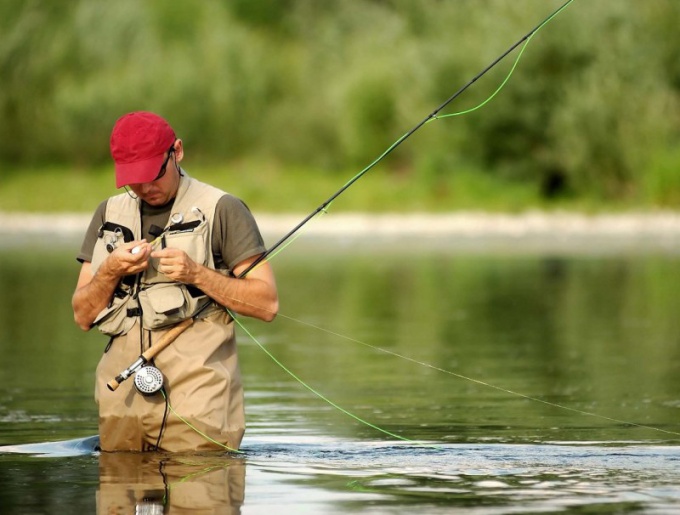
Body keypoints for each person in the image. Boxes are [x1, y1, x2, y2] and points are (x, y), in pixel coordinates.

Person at [72, 111, 278, 452]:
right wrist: (109, 270)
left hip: (200, 409)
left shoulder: (224, 209)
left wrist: (196, 273)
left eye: (153, 175)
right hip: (119, 404)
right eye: (133, 180)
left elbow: (267, 304)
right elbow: (82, 316)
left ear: (177, 152)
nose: (145, 188)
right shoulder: (106, 213)